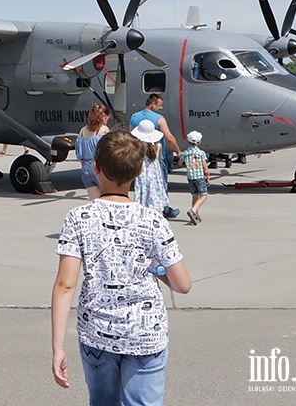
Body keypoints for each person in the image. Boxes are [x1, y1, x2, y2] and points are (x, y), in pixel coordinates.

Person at [50, 131, 191, 404]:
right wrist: (155, 269)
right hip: (145, 334)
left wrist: (58, 347)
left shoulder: (78, 217)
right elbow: (183, 285)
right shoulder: (153, 220)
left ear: (95, 167)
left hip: (97, 334)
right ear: (139, 171)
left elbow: (65, 285)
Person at [129, 94, 182, 184]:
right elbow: (169, 138)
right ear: (153, 104)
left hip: (139, 158)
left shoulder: (134, 117)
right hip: (156, 158)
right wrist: (178, 152)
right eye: (160, 105)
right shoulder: (159, 119)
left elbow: (131, 136)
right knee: (161, 187)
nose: (161, 108)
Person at [131, 119, 178, 218]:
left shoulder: (139, 147)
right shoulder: (158, 146)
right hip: (155, 175)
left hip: (142, 174)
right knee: (156, 197)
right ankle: (160, 218)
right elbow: (159, 158)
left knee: (143, 195)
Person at [75, 104, 110, 200]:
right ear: (103, 116)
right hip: (99, 167)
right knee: (107, 199)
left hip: (86, 168)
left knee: (94, 201)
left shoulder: (82, 130)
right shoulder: (103, 129)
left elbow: (79, 155)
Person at [179, 130, 210, 226]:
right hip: (200, 177)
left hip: (190, 177)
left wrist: (182, 158)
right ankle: (193, 211)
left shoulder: (185, 153)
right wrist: (208, 177)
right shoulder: (201, 153)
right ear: (199, 142)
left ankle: (196, 215)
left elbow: (179, 162)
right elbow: (205, 166)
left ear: (188, 141)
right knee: (203, 196)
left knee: (194, 196)